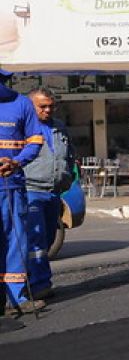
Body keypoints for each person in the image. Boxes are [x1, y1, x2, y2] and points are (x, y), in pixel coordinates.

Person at [0, 67, 46, 316]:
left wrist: (16, 162)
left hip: (10, 186)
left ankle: (15, 297)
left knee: (14, 240)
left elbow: (35, 140)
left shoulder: (21, 105)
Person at [23, 87, 75, 300]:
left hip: (53, 192)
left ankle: (36, 281)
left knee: (48, 240)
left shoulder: (60, 128)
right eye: (42, 106)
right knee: (35, 240)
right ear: (30, 106)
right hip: (30, 190)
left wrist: (69, 176)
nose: (47, 110)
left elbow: (69, 155)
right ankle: (38, 286)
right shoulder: (22, 128)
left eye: (51, 106)